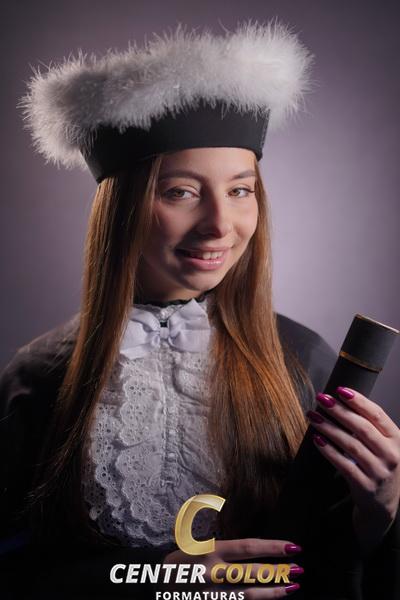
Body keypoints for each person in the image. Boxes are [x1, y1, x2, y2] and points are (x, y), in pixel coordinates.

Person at [1, 20, 399, 600]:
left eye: (240, 190)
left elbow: (331, 565)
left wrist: (379, 513)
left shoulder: (303, 359)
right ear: (120, 208)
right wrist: (162, 578)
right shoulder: (37, 378)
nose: (219, 224)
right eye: (180, 192)